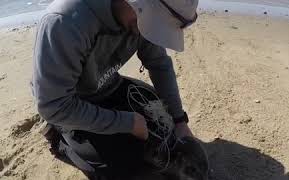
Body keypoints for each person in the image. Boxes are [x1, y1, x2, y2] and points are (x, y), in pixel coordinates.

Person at [32, 0, 199, 179]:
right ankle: (59, 141)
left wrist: (179, 120)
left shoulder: (140, 20)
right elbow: (54, 106)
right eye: (154, 25)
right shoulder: (63, 23)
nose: (150, 32)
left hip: (109, 84)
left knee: (165, 127)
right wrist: (127, 123)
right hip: (71, 104)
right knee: (124, 169)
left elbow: (159, 64)